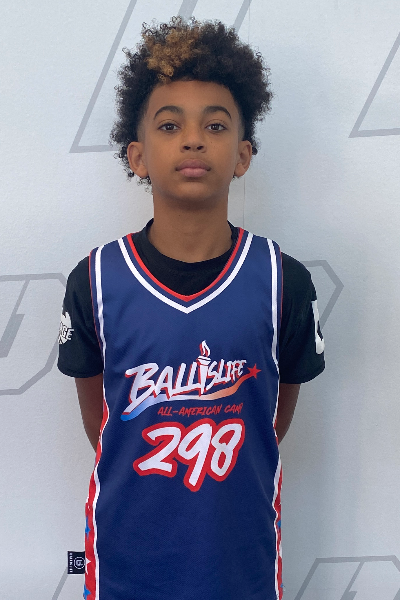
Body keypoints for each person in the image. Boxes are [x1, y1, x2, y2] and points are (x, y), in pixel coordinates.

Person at [58, 15, 325, 600]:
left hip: (240, 557)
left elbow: (273, 414)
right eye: (170, 124)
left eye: (216, 124)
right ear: (137, 155)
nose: (193, 139)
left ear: (243, 155)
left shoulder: (282, 280)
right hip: (125, 559)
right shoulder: (96, 280)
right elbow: (100, 419)